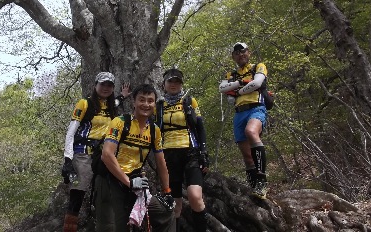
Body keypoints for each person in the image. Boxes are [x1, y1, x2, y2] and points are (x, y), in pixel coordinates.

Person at [95, 84, 175, 232]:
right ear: (134, 102)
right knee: (114, 227)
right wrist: (129, 182)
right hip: (110, 180)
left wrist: (167, 191)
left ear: (154, 104)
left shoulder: (154, 130)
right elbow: (107, 155)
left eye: (150, 101)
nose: (146, 104)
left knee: (166, 212)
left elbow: (161, 163)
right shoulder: (119, 122)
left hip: (135, 184)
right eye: (142, 100)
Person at [61, 72, 129, 232]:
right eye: (102, 84)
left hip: (103, 155)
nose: (105, 88)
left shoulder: (111, 105)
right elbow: (71, 131)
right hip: (83, 153)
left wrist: (123, 96)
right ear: (95, 85)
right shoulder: (85, 104)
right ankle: (69, 228)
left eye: (109, 85)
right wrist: (67, 159)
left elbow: (117, 102)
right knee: (79, 191)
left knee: (106, 190)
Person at [157, 68, 209, 232]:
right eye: (170, 81)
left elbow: (200, 127)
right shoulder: (158, 105)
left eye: (177, 81)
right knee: (175, 204)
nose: (173, 84)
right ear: (163, 84)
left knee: (195, 196)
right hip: (167, 156)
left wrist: (204, 152)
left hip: (190, 153)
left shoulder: (189, 101)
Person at [218, 42, 269, 199]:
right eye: (237, 53)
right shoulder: (231, 74)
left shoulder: (258, 67)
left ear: (249, 52)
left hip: (256, 108)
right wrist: (241, 83)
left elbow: (257, 83)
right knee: (247, 156)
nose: (240, 54)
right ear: (233, 56)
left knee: (251, 132)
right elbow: (222, 88)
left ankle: (262, 182)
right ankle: (254, 188)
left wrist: (238, 90)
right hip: (239, 113)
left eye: (243, 51)